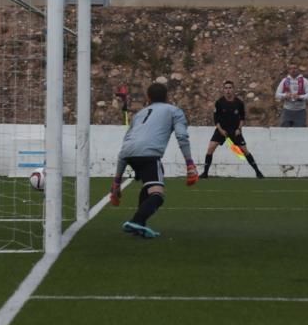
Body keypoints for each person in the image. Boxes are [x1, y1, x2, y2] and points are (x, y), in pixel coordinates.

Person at [109, 82, 198, 239]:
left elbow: (126, 144)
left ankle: (139, 227)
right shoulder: (174, 111)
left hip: (128, 154)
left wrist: (116, 182)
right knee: (157, 195)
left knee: (148, 186)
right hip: (149, 154)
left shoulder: (139, 114)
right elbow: (182, 136)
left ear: (148, 98)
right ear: (167, 97)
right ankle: (136, 221)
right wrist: (190, 164)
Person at [200, 80, 264, 179]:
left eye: (230, 88)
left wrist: (239, 129)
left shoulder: (239, 103)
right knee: (210, 148)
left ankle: (258, 172)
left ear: (233, 89)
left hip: (234, 130)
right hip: (222, 130)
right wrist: (220, 130)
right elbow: (216, 119)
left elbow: (242, 118)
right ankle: (205, 173)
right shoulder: (219, 102)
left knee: (244, 151)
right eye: (226, 88)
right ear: (223, 90)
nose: (228, 90)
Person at [275, 63, 308, 127]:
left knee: (299, 132)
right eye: (291, 69)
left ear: (298, 69)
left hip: (300, 111)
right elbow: (277, 94)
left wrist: (300, 97)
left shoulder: (304, 81)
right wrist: (285, 95)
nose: (293, 70)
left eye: (295, 68)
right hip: (287, 110)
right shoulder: (284, 81)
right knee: (284, 131)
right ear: (288, 70)